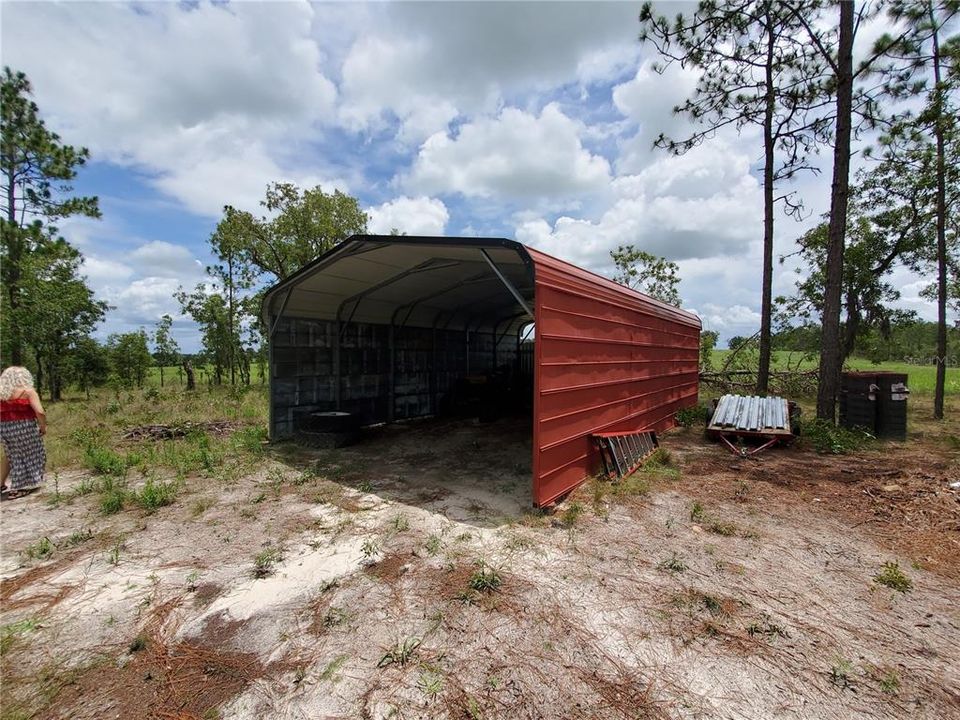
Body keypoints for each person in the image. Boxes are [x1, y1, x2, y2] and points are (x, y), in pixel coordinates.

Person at [0, 366, 46, 498]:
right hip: (25, 428)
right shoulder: (28, 392)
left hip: (5, 430)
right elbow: (40, 412)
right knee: (33, 454)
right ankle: (21, 487)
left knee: (14, 456)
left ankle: (5, 484)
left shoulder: (2, 394)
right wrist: (43, 427)